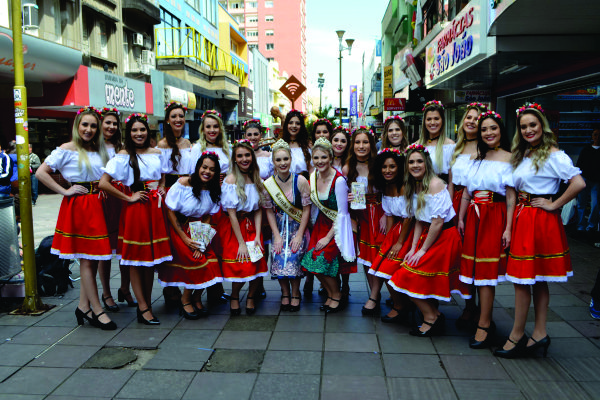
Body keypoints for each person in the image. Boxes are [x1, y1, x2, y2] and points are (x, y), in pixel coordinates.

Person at [495, 103, 585, 358]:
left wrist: (554, 203)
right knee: (529, 280)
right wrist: (509, 228)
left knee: (529, 281)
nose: (528, 130)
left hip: (540, 218)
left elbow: (578, 182)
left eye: (532, 125)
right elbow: (512, 196)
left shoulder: (554, 155)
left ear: (542, 126)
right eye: (523, 126)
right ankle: (537, 334)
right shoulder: (521, 155)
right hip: (523, 218)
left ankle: (521, 334)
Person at [35, 106, 116, 330]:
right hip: (80, 206)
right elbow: (41, 172)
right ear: (77, 126)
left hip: (98, 205)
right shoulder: (66, 149)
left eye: (93, 125)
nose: (88, 129)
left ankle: (83, 306)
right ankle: (96, 309)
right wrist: (65, 191)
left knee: (94, 258)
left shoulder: (100, 149)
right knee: (87, 260)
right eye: (85, 125)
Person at [99, 113, 172, 325]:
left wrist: (160, 188)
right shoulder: (123, 154)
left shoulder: (156, 152)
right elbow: (104, 183)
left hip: (154, 209)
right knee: (135, 259)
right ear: (128, 133)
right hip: (136, 210)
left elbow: (163, 175)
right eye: (134, 130)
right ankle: (143, 307)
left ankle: (145, 305)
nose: (138, 134)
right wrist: (128, 197)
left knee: (149, 261)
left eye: (142, 130)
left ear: (147, 131)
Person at [388, 144, 467, 337]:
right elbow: (419, 220)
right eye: (411, 162)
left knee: (408, 275)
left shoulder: (435, 184)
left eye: (419, 161)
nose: (415, 165)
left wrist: (422, 251)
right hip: (429, 233)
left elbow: (438, 222)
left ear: (427, 163)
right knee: (405, 271)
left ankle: (432, 317)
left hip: (444, 237)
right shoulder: (415, 185)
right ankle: (433, 314)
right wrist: (413, 248)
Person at [457, 111, 516, 349]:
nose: (488, 133)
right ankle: (479, 316)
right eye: (484, 129)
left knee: (486, 273)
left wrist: (509, 228)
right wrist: (461, 218)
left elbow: (511, 196)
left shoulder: (510, 158)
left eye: (493, 128)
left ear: (501, 131)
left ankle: (484, 323)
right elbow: (467, 193)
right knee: (473, 270)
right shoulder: (476, 159)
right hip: (473, 216)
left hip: (494, 215)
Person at [158, 152, 223, 319]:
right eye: (204, 167)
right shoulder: (182, 183)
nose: (207, 171)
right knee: (196, 261)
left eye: (212, 169)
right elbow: (170, 212)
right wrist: (185, 238)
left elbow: (208, 215)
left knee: (212, 261)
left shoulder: (213, 189)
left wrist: (202, 241)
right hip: (179, 229)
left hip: (198, 228)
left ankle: (196, 296)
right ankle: (185, 300)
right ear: (198, 167)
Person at [301, 138, 355, 312]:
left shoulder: (338, 181)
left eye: (323, 157)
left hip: (336, 228)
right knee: (311, 263)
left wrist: (328, 237)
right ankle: (332, 294)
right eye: (316, 158)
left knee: (322, 261)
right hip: (320, 225)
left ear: (331, 157)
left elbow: (342, 213)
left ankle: (336, 295)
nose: (320, 161)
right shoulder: (313, 177)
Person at [449, 103, 487, 330]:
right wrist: (449, 211)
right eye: (468, 117)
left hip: (476, 205)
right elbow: (452, 183)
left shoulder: (485, 148)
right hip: (456, 204)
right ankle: (469, 304)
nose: (471, 121)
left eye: (476, 118)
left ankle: (482, 308)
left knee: (477, 257)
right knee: (461, 257)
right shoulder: (457, 148)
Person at [220, 139, 269, 315]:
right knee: (240, 264)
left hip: (253, 227)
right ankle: (234, 296)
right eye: (239, 156)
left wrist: (257, 236)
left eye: (247, 155)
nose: (244, 159)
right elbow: (232, 214)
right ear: (234, 159)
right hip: (237, 228)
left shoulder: (256, 179)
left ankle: (250, 296)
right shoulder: (231, 180)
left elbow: (257, 210)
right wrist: (241, 242)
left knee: (256, 263)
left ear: (252, 157)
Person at [364, 148, 413, 321]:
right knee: (380, 264)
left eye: (392, 166)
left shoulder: (405, 186)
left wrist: (398, 243)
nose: (388, 170)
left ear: (399, 167)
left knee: (389, 267)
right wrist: (387, 240)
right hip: (397, 230)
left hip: (410, 231)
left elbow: (408, 217)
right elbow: (390, 216)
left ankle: (401, 306)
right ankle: (400, 304)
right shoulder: (386, 187)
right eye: (384, 167)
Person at [264, 139, 311, 312]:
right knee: (277, 257)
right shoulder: (268, 184)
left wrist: (299, 234)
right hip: (278, 227)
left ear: (291, 159)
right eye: (278, 160)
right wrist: (276, 235)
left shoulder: (301, 181)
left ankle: (296, 293)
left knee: (294, 257)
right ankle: (285, 293)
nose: (282, 163)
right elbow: (268, 210)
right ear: (273, 162)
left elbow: (306, 210)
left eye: (285, 159)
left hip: (297, 227)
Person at [97, 107, 136, 313]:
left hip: (123, 198)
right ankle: (106, 293)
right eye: (107, 122)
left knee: (124, 248)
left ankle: (125, 288)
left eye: (114, 123)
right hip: (104, 198)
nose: (111, 127)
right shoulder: (93, 146)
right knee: (105, 250)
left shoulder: (123, 146)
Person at [157, 102, 195, 307]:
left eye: (181, 116)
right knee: (171, 239)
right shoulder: (162, 144)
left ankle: (187, 280)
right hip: (171, 190)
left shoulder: (188, 143)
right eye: (174, 117)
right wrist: (162, 188)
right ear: (168, 120)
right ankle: (169, 287)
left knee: (185, 238)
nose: (178, 120)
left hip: (187, 191)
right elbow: (162, 175)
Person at [343, 127, 380, 301]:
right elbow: (341, 198)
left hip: (380, 213)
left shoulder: (379, 164)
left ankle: (375, 295)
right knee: (366, 255)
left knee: (379, 255)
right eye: (357, 142)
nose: (361, 146)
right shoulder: (347, 168)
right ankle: (374, 294)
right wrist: (348, 197)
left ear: (371, 144)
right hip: (360, 215)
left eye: (365, 142)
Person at [416, 100, 455, 182]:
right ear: (424, 122)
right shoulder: (417, 145)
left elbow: (451, 179)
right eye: (429, 119)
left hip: (442, 192)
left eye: (436, 118)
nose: (432, 122)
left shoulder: (450, 146)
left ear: (442, 120)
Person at [575, 129, 600, 233]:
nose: (597, 137)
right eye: (595, 135)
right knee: (581, 203)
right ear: (592, 136)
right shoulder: (586, 150)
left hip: (597, 181)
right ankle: (581, 226)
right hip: (584, 179)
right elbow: (579, 165)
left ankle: (591, 225)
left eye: (599, 135)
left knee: (595, 205)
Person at [282, 110, 312, 177]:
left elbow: (311, 169)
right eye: (291, 123)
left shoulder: (307, 146)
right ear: (286, 125)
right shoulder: (281, 145)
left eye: (297, 123)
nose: (294, 126)